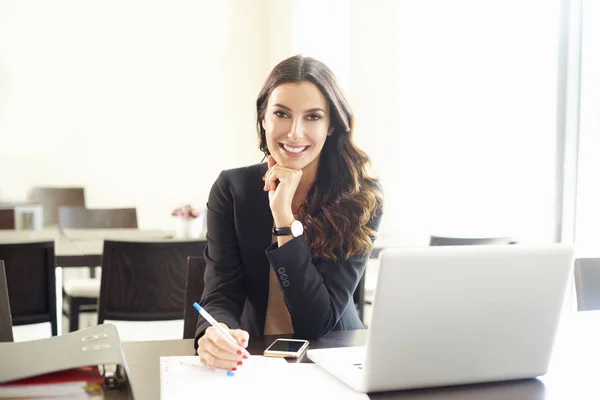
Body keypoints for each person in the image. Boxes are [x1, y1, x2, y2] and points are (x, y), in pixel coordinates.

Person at [195, 55, 384, 371]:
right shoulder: (232, 188)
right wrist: (215, 332)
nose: (295, 133)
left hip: (336, 356)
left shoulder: (360, 199)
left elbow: (317, 323)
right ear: (264, 118)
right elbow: (220, 293)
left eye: (312, 117)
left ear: (332, 126)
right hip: (255, 354)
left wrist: (284, 220)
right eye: (281, 114)